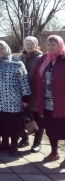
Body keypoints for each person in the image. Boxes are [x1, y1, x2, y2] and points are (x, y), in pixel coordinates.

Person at [0, 41, 31, 157]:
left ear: (7, 48)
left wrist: (26, 98)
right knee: (1, 122)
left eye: (2, 48)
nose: (0, 50)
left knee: (13, 123)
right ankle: (4, 142)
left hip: (13, 100)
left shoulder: (17, 63)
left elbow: (24, 81)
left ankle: (14, 145)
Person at [33, 35, 65, 166]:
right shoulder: (43, 60)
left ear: (60, 45)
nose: (51, 47)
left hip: (62, 102)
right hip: (46, 102)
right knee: (50, 128)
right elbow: (36, 78)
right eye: (49, 44)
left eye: (54, 45)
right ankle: (54, 152)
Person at [18, 36, 43, 151]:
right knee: (24, 118)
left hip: (36, 94)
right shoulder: (20, 58)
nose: (29, 45)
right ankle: (25, 139)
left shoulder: (40, 58)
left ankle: (37, 142)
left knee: (37, 118)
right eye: (26, 43)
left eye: (31, 43)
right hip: (23, 94)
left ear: (36, 45)